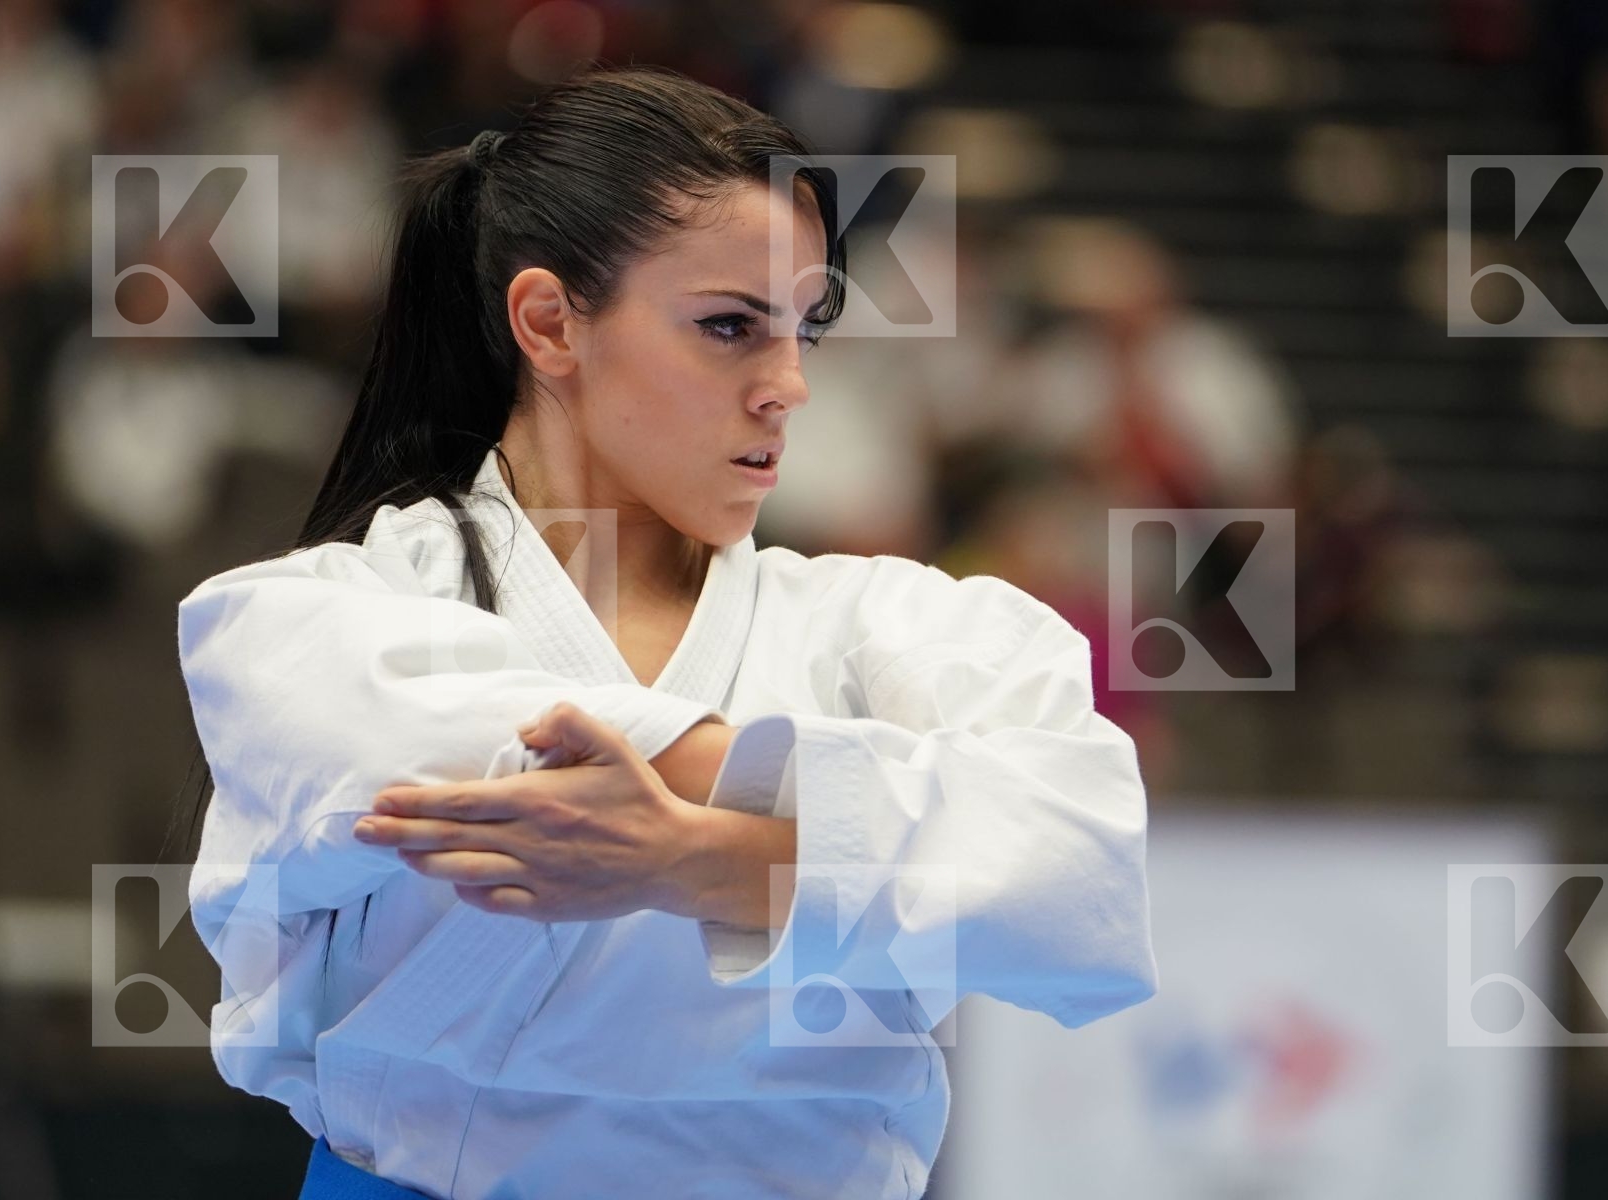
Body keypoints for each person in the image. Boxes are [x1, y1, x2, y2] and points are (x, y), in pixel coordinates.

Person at [175, 65, 1160, 1200]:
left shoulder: (895, 627)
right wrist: (800, 818)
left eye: (806, 330)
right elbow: (407, 740)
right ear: (549, 321)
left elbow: (1084, 882)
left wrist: (692, 852)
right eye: (731, 327)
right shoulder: (307, 619)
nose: (787, 385)